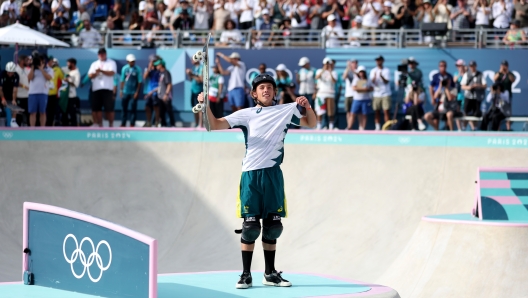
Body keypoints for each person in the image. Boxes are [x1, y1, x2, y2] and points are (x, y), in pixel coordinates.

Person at [195, 73, 316, 290]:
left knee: (272, 227)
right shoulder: (247, 114)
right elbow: (214, 125)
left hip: (273, 176)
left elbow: (312, 124)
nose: (266, 90)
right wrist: (205, 106)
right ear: (254, 93)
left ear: (275, 92)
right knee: (250, 227)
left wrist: (308, 106)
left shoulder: (285, 111)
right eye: (262, 88)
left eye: (270, 87)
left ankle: (270, 274)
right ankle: (245, 274)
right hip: (251, 176)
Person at [88, 48, 117, 127]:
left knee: (109, 109)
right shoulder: (94, 64)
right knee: (96, 108)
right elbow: (90, 75)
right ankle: (99, 124)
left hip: (107, 89)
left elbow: (112, 73)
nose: (101, 55)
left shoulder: (111, 62)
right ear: (98, 55)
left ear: (106, 54)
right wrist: (96, 73)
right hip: (96, 89)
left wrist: (101, 71)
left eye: (103, 53)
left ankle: (111, 125)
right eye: (100, 54)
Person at [28, 54, 53, 127]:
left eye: (41, 61)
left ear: (44, 61)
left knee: (43, 112)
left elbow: (48, 78)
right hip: (32, 93)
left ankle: (42, 128)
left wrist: (42, 69)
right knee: (33, 112)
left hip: (43, 93)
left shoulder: (49, 69)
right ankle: (32, 128)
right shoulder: (32, 69)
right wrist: (32, 67)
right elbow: (30, 78)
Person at [460, 60, 486, 131]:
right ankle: (464, 127)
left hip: (477, 97)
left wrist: (477, 85)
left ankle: (475, 127)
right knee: (466, 112)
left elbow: (485, 85)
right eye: (471, 66)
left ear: (476, 66)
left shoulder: (480, 74)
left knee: (476, 113)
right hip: (468, 96)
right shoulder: (467, 74)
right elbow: (462, 86)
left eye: (473, 66)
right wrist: (469, 87)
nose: (472, 68)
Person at [120, 54, 143, 127]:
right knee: (124, 108)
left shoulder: (138, 69)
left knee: (133, 108)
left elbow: (139, 81)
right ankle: (123, 123)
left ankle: (132, 123)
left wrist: (137, 92)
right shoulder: (124, 69)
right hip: (125, 92)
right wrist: (121, 90)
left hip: (133, 92)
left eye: (133, 61)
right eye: (130, 61)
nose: (132, 63)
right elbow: (122, 80)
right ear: (127, 61)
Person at [369, 55, 391, 130]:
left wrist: (381, 76)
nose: (378, 61)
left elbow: (387, 81)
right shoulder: (373, 71)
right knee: (377, 111)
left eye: (379, 60)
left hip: (385, 93)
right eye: (377, 60)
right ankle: (377, 127)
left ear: (382, 61)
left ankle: (387, 127)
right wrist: (375, 77)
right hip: (376, 94)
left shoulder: (386, 70)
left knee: (386, 110)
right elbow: (371, 82)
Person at [315, 57, 337, 130]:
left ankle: (331, 127)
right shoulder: (319, 71)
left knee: (331, 112)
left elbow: (334, 81)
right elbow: (316, 77)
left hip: (330, 94)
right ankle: (319, 127)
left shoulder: (334, 72)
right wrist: (323, 70)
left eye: (328, 64)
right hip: (321, 94)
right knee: (320, 111)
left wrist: (330, 72)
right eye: (326, 64)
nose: (327, 65)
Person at [493, 60, 515, 131]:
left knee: (507, 112)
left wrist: (507, 72)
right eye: (502, 65)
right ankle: (497, 128)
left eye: (505, 65)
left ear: (507, 66)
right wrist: (500, 72)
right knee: (498, 112)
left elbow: (513, 80)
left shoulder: (510, 73)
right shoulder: (498, 73)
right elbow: (494, 79)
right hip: (499, 96)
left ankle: (508, 128)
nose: (504, 66)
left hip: (507, 96)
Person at [351, 65, 372, 130]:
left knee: (364, 114)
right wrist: (362, 89)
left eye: (363, 72)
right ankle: (349, 127)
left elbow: (372, 87)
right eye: (360, 72)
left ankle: (363, 128)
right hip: (357, 99)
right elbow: (353, 87)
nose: (361, 73)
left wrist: (367, 89)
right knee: (353, 114)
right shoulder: (356, 79)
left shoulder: (368, 80)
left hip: (365, 99)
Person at [155, 60, 175, 127]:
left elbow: (169, 84)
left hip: (166, 96)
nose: (156, 66)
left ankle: (173, 125)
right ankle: (163, 125)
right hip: (160, 96)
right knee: (161, 112)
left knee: (169, 111)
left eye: (157, 65)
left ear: (161, 65)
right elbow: (161, 85)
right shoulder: (160, 73)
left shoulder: (166, 73)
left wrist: (166, 95)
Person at [61, 58, 80, 126]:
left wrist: (69, 80)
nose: (67, 65)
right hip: (64, 96)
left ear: (72, 64)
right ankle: (64, 128)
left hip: (71, 97)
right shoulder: (67, 70)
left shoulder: (76, 73)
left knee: (72, 113)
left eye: (68, 63)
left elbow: (76, 85)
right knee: (64, 113)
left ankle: (74, 129)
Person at [46, 56, 64, 126]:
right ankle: (46, 125)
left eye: (54, 62)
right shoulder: (45, 69)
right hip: (45, 94)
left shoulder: (58, 70)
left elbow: (63, 79)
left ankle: (54, 125)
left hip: (54, 94)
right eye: (51, 62)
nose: (53, 63)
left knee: (54, 111)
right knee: (47, 111)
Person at [0, 62, 20, 127]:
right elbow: (0, 89)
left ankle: (13, 121)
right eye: (9, 72)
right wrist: (2, 98)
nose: (10, 74)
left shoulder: (16, 75)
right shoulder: (2, 74)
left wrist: (14, 100)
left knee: (14, 105)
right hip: (1, 92)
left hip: (10, 94)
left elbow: (15, 89)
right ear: (6, 70)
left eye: (12, 73)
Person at [144, 56, 161, 127]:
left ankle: (157, 122)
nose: (152, 62)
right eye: (151, 61)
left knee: (156, 107)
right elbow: (144, 77)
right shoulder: (148, 68)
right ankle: (149, 122)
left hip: (157, 90)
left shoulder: (159, 69)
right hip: (149, 91)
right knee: (147, 107)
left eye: (153, 61)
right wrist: (149, 68)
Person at [187, 57, 203, 127]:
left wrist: (192, 74)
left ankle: (200, 124)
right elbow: (191, 79)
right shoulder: (193, 68)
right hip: (193, 90)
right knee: (194, 108)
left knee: (200, 108)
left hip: (199, 90)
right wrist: (189, 74)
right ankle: (196, 124)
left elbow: (200, 80)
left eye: (193, 59)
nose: (191, 60)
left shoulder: (202, 67)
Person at [15, 55, 30, 126]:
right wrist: (24, 86)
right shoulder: (16, 70)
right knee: (19, 114)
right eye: (26, 60)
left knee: (27, 113)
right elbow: (15, 82)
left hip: (27, 95)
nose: (28, 62)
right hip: (19, 95)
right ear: (22, 61)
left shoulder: (26, 69)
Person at [343, 59, 358, 130]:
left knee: (353, 112)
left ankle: (351, 126)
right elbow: (344, 77)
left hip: (355, 95)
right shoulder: (347, 71)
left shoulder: (358, 71)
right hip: (348, 95)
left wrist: (353, 70)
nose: (354, 64)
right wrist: (348, 67)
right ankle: (349, 126)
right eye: (353, 63)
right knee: (348, 111)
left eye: (355, 63)